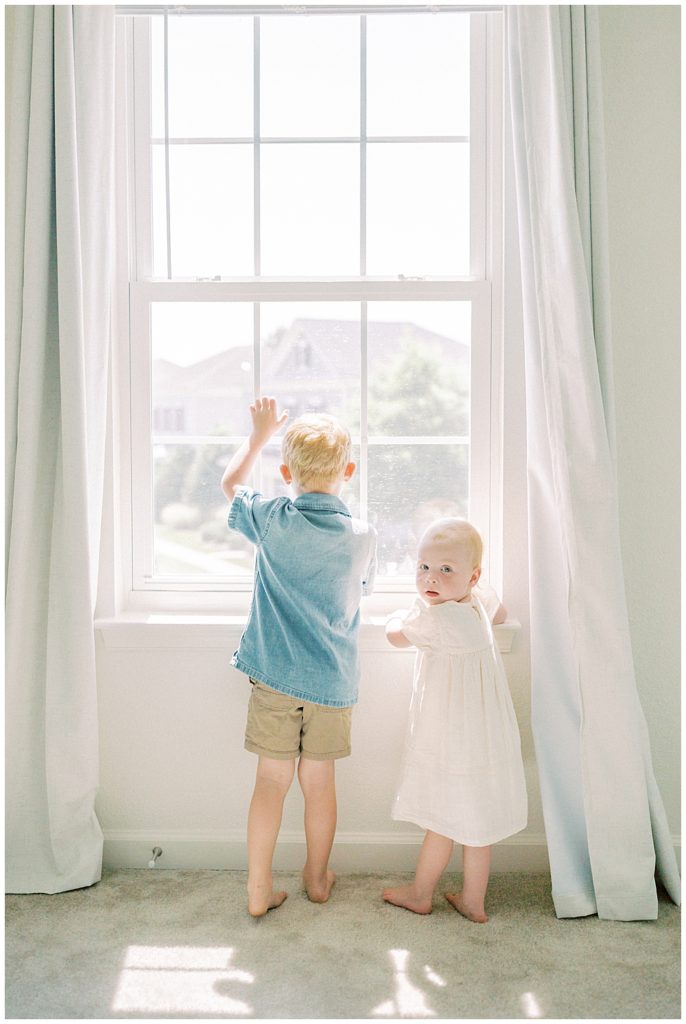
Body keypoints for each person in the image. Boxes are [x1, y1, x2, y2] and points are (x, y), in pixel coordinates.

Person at [221, 396, 377, 917]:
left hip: (275, 679)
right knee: (320, 786)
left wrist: (259, 435)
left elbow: (229, 487)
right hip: (331, 683)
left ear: (285, 472)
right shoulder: (362, 536)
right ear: (348, 471)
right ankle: (316, 877)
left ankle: (258, 889)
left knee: (270, 783)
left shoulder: (271, 518)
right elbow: (361, 592)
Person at [383, 517, 527, 923]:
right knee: (477, 824)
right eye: (424, 567)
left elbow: (395, 636)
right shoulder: (476, 603)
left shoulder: (438, 617)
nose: (431, 578)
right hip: (486, 737)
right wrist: (472, 590)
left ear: (472, 575)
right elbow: (501, 614)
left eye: (446, 570)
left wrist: (396, 617)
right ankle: (473, 901)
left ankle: (420, 893)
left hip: (450, 738)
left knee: (440, 820)